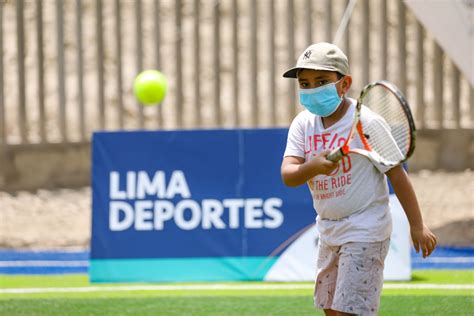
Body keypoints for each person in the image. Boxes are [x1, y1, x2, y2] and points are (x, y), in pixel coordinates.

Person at [281, 42, 437, 316]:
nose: (312, 89)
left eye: (322, 81)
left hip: (366, 228)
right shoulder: (302, 124)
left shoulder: (367, 121)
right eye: (304, 84)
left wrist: (417, 225)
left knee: (350, 312)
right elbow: (289, 175)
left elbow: (397, 175)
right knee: (330, 309)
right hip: (328, 230)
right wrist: (314, 167)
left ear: (345, 84)